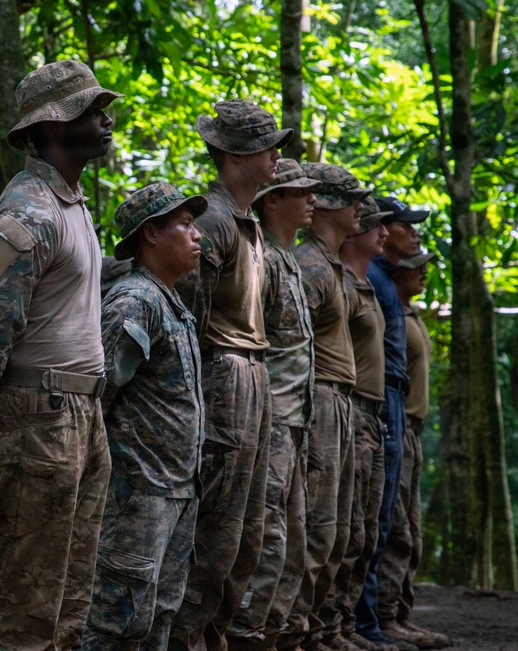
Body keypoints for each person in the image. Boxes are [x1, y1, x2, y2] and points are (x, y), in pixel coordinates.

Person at [0, 59, 120, 649]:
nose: (106, 120)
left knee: (69, 602)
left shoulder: (71, 204)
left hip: (77, 415)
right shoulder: (28, 211)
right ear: (49, 129)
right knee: (21, 610)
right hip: (35, 417)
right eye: (90, 111)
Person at [170, 100, 292, 651]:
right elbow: (189, 324)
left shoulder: (249, 226)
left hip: (253, 377)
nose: (277, 156)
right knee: (214, 534)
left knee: (247, 533)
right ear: (238, 155)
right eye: (268, 147)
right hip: (223, 378)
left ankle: (215, 638)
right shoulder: (213, 224)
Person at [82, 182, 206, 649]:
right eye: (186, 225)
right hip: (138, 492)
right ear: (151, 234)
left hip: (173, 490)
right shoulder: (136, 300)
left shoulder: (170, 301)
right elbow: (97, 393)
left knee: (157, 618)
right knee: (115, 621)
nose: (198, 236)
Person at [226, 159, 319, 651]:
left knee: (295, 538)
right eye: (299, 192)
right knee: (267, 535)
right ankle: (245, 634)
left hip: (294, 417)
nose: (312, 200)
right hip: (272, 416)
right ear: (273, 201)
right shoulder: (257, 255)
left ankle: (271, 634)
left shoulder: (287, 259)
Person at [278, 163, 368, 651]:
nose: (362, 207)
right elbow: (290, 341)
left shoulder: (328, 265)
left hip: (340, 401)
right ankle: (296, 633)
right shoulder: (309, 266)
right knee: (315, 528)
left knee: (339, 530)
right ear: (330, 207)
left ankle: (318, 630)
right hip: (318, 400)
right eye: (353, 198)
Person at [319, 198, 397, 651]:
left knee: (360, 530)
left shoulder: (361, 284)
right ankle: (320, 630)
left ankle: (341, 627)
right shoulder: (331, 278)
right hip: (338, 408)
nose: (382, 233)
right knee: (330, 529)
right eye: (374, 226)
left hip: (365, 411)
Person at [355, 197, 431, 651]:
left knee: (390, 522)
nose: (410, 236)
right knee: (377, 520)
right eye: (406, 227)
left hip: (396, 405)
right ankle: (369, 622)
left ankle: (382, 618)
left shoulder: (385, 285)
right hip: (380, 401)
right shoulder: (375, 279)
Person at [377, 252, 451, 650]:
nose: (424, 271)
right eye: (416, 264)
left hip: (413, 430)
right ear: (395, 270)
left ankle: (400, 614)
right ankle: (386, 617)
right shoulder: (395, 319)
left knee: (412, 531)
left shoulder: (411, 315)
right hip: (397, 425)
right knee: (396, 530)